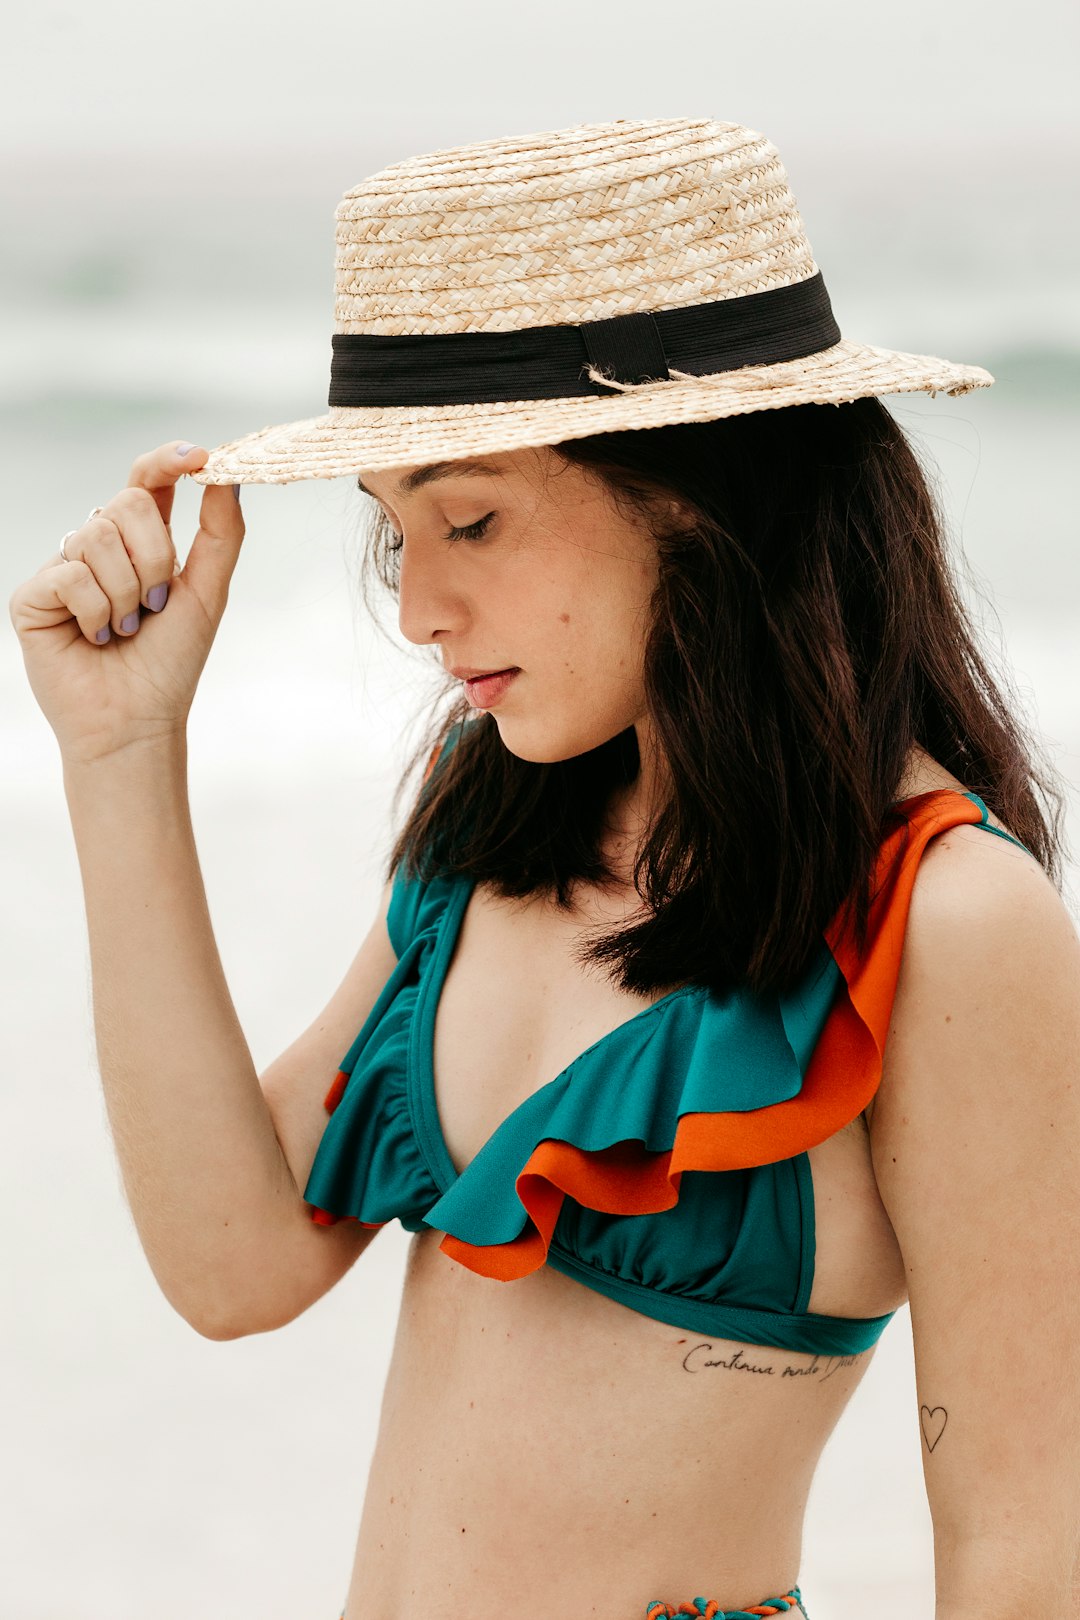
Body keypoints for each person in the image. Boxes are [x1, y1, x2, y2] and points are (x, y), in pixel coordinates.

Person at [10, 118, 1080, 1620]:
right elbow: (236, 1264)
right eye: (394, 536)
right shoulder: (495, 819)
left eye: (473, 517)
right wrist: (121, 764)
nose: (419, 610)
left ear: (699, 487)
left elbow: (1024, 1550)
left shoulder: (951, 919)